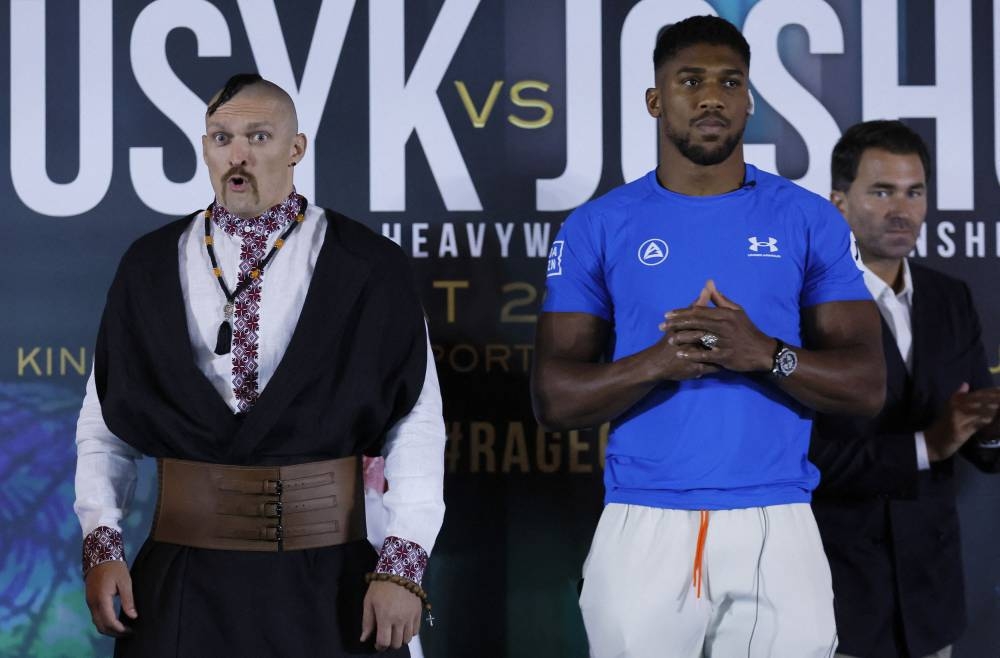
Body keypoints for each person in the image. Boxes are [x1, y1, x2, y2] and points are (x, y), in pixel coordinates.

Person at [531, 15, 886, 657]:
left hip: (777, 517)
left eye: (730, 82)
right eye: (690, 80)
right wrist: (659, 362)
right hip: (642, 518)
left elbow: (866, 385)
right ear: (655, 99)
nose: (712, 96)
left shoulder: (807, 219)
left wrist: (763, 354)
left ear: (749, 99)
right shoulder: (598, 225)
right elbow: (554, 400)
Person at [73, 73, 446, 657]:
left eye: (259, 136)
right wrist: (103, 544)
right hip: (183, 578)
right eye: (221, 138)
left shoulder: (371, 265)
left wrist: (402, 564)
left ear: (296, 149)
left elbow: (416, 422)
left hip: (329, 582)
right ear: (204, 148)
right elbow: (105, 424)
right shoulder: (147, 266)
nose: (238, 155)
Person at [810, 119, 1000, 658]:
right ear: (838, 203)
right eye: (882, 191)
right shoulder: (801, 307)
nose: (902, 209)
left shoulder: (950, 298)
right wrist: (925, 447)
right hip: (836, 601)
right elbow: (799, 457)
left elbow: (979, 434)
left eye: (914, 192)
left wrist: (992, 429)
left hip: (930, 604)